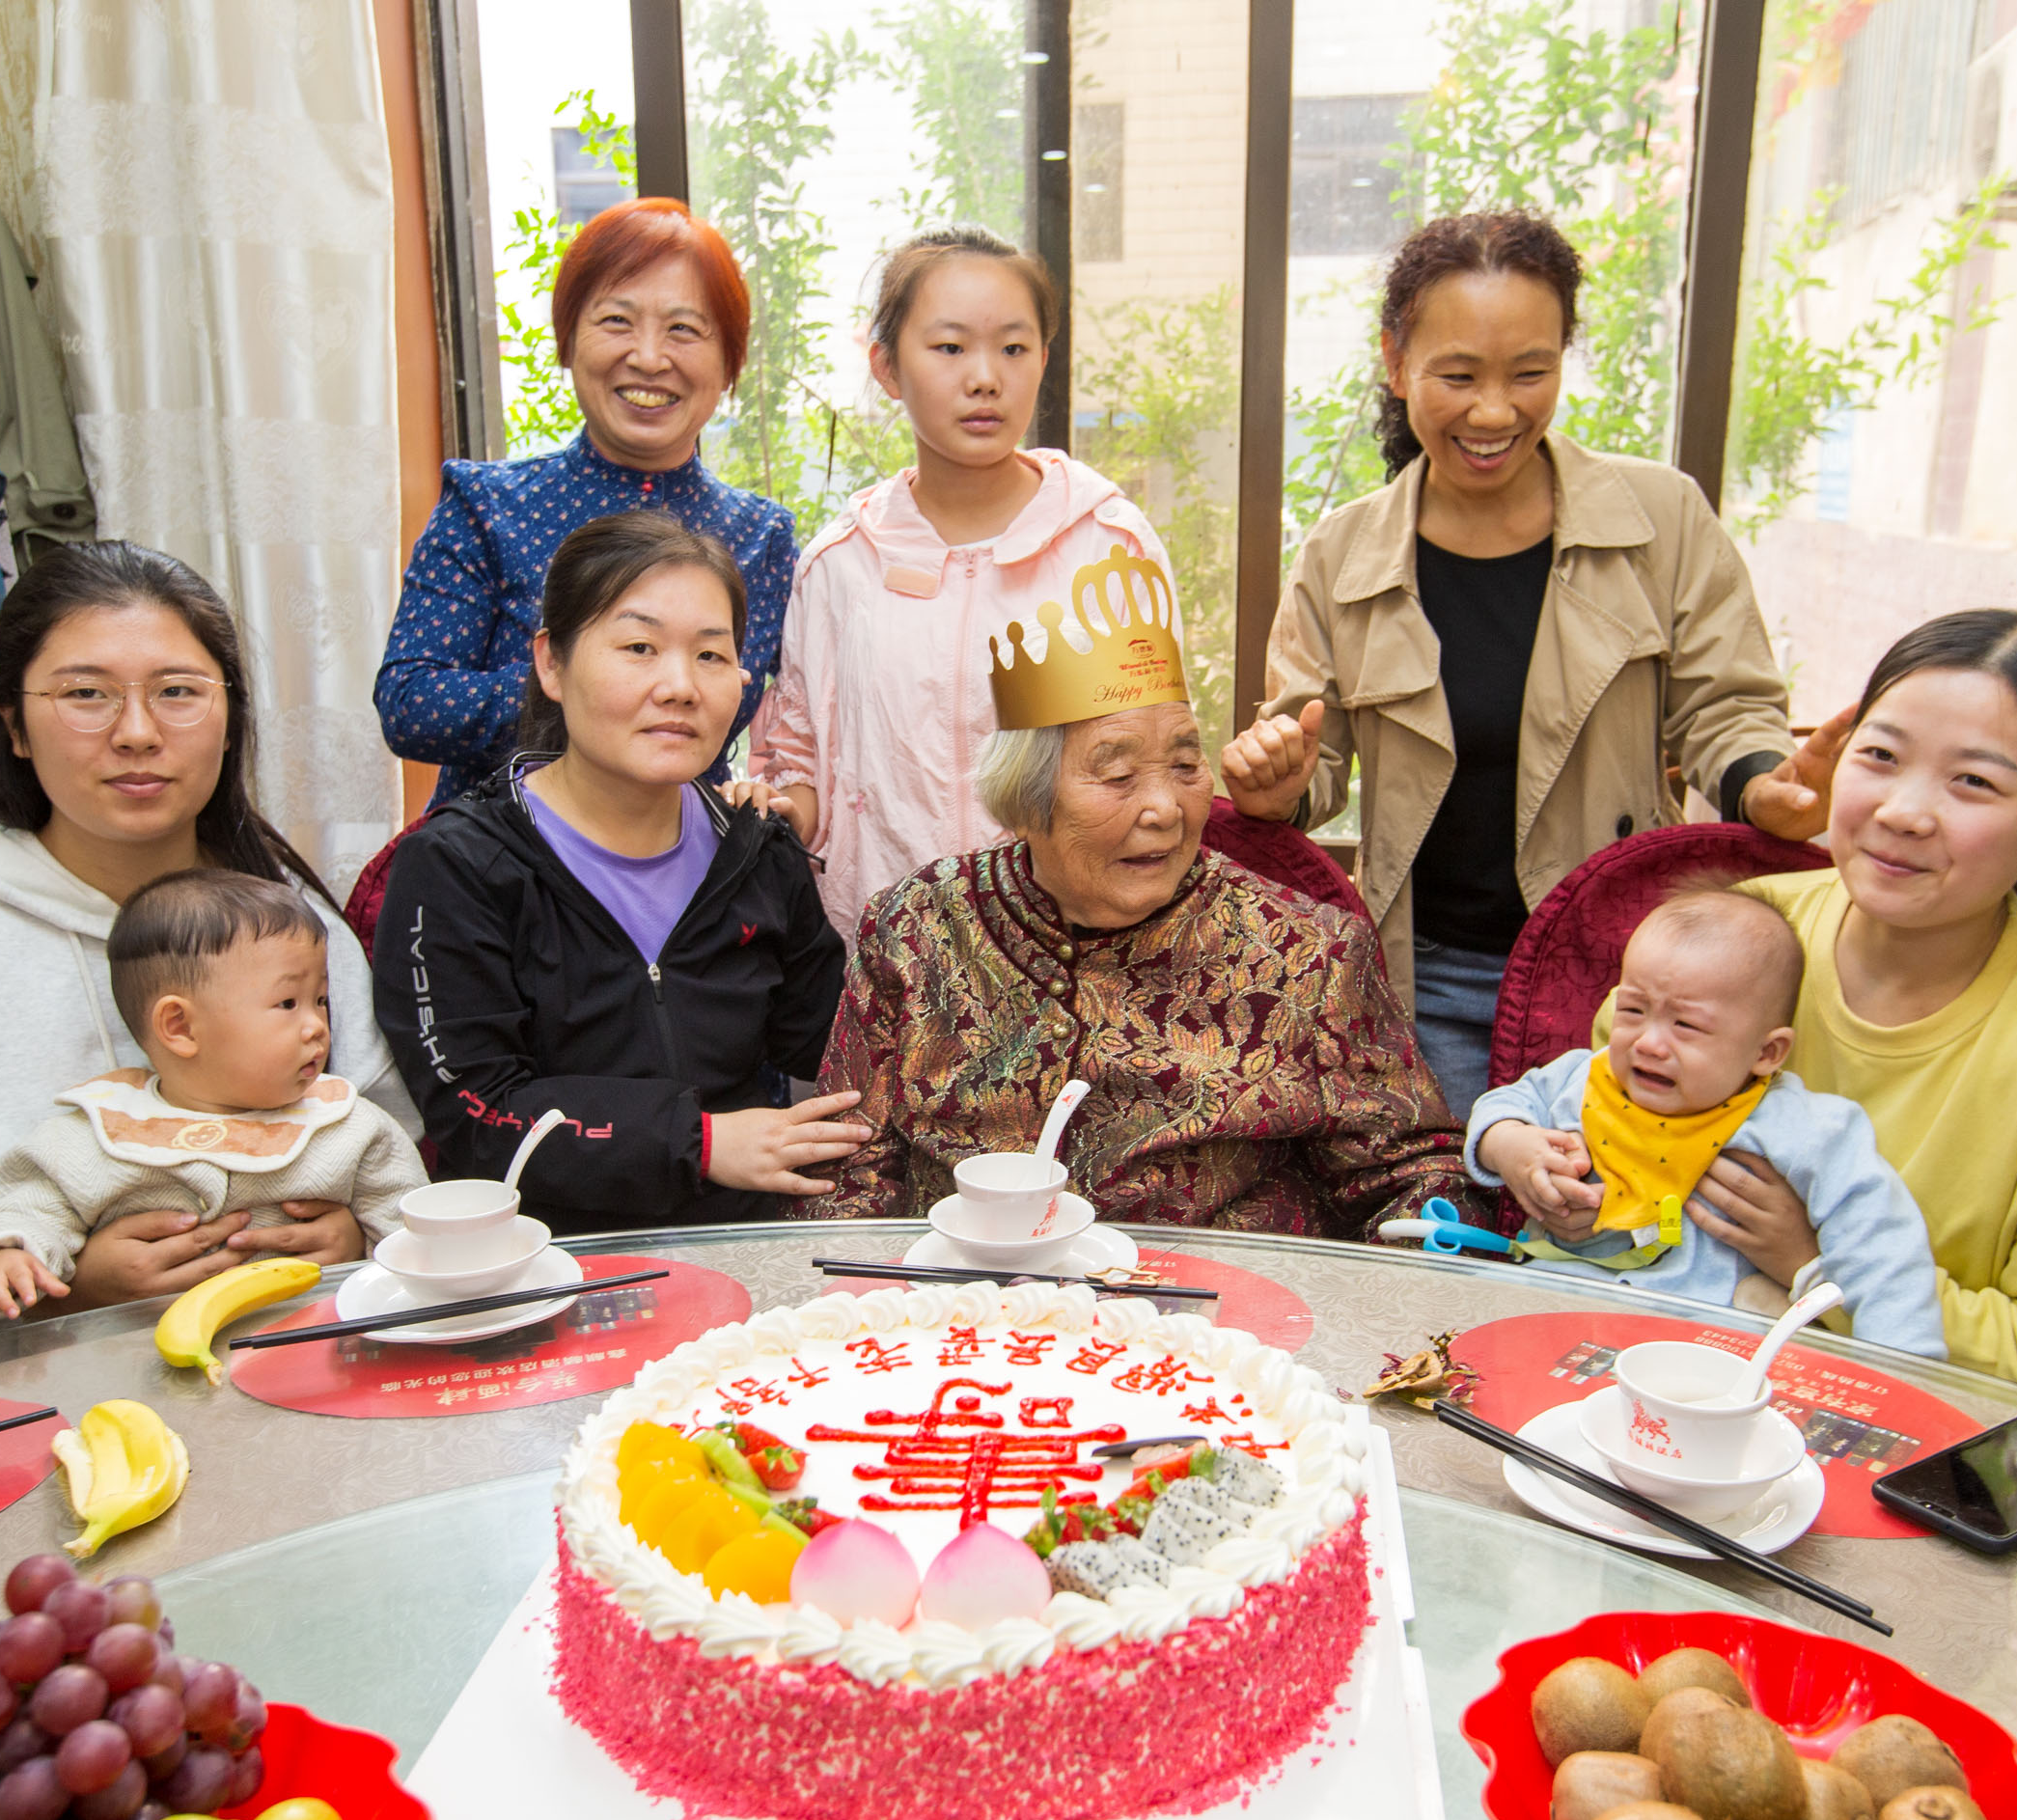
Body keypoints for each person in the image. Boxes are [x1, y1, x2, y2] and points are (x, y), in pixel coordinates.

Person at [1220, 208, 1841, 1119]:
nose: (1494, 411)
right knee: (1450, 1230)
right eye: (1458, 375)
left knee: (1605, 1231)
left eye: (1531, 373)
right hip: (1427, 981)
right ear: (1395, 365)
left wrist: (1760, 787)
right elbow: (1315, 760)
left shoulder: (1660, 520)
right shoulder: (1341, 554)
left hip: (1629, 979)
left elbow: (1726, 710)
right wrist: (1274, 786)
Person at [0, 543, 410, 1342]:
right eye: (85, 694)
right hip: (7, 1379)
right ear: (16, 727)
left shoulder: (288, 919)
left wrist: (355, 1240)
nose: (136, 733)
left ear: (231, 717)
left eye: (178, 692)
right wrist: (58, 1280)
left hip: (292, 1353)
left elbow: (390, 1147)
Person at [1585, 611, 2017, 1417]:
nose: (1904, 812)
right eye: (1880, 757)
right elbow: (1600, 1112)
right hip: (1656, 1390)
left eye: (1973, 782)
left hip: (1899, 1451)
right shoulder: (1747, 937)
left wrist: (1818, 1265)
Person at [801, 541, 1476, 1237]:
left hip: (1220, 1317)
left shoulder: (1306, 953)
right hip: (967, 1319)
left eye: (1186, 764)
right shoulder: (918, 929)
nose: (1164, 808)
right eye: (1118, 777)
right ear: (1027, 801)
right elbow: (849, 1172)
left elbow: (1413, 1176)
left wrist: (1433, 1233)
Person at [372, 511, 853, 1231]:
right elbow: (475, 1109)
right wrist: (701, 1141)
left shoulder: (756, 851)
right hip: (545, 1264)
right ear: (552, 664)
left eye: (712, 657)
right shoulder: (456, 867)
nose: (680, 686)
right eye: (639, 646)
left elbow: (840, 1041)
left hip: (746, 1246)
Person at [738, 226, 1176, 936]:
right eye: (949, 348)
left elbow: (1151, 760)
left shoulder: (1105, 543)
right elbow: (803, 765)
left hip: (1072, 958)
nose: (985, 377)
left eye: (1013, 347)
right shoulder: (842, 565)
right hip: (890, 962)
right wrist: (781, 806)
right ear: (886, 367)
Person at [377, 199, 794, 801]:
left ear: (729, 363)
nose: (649, 358)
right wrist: (587, 691)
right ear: (567, 341)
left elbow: (812, 719)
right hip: (498, 869)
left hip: (688, 871)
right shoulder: (488, 504)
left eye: (684, 328)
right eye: (617, 322)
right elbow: (410, 701)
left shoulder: (764, 537)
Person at [0, 870, 428, 1327]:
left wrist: (363, 1248)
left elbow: (414, 1230)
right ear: (180, 1026)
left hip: (316, 1346)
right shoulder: (101, 1131)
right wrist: (8, 1255)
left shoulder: (349, 1127)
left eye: (320, 1000)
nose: (317, 1025)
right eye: (287, 1003)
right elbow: (31, 1203)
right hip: (136, 1361)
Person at [1468, 889, 1945, 1357]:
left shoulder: (1805, 1130)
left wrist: (1909, 1371)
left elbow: (1883, 1254)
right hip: (1552, 1320)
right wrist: (1513, 1145)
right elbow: (1501, 1105)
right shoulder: (1582, 1077)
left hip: (1705, 1359)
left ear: (1766, 1052)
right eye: (1633, 1010)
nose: (1650, 1043)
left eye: (1687, 1026)